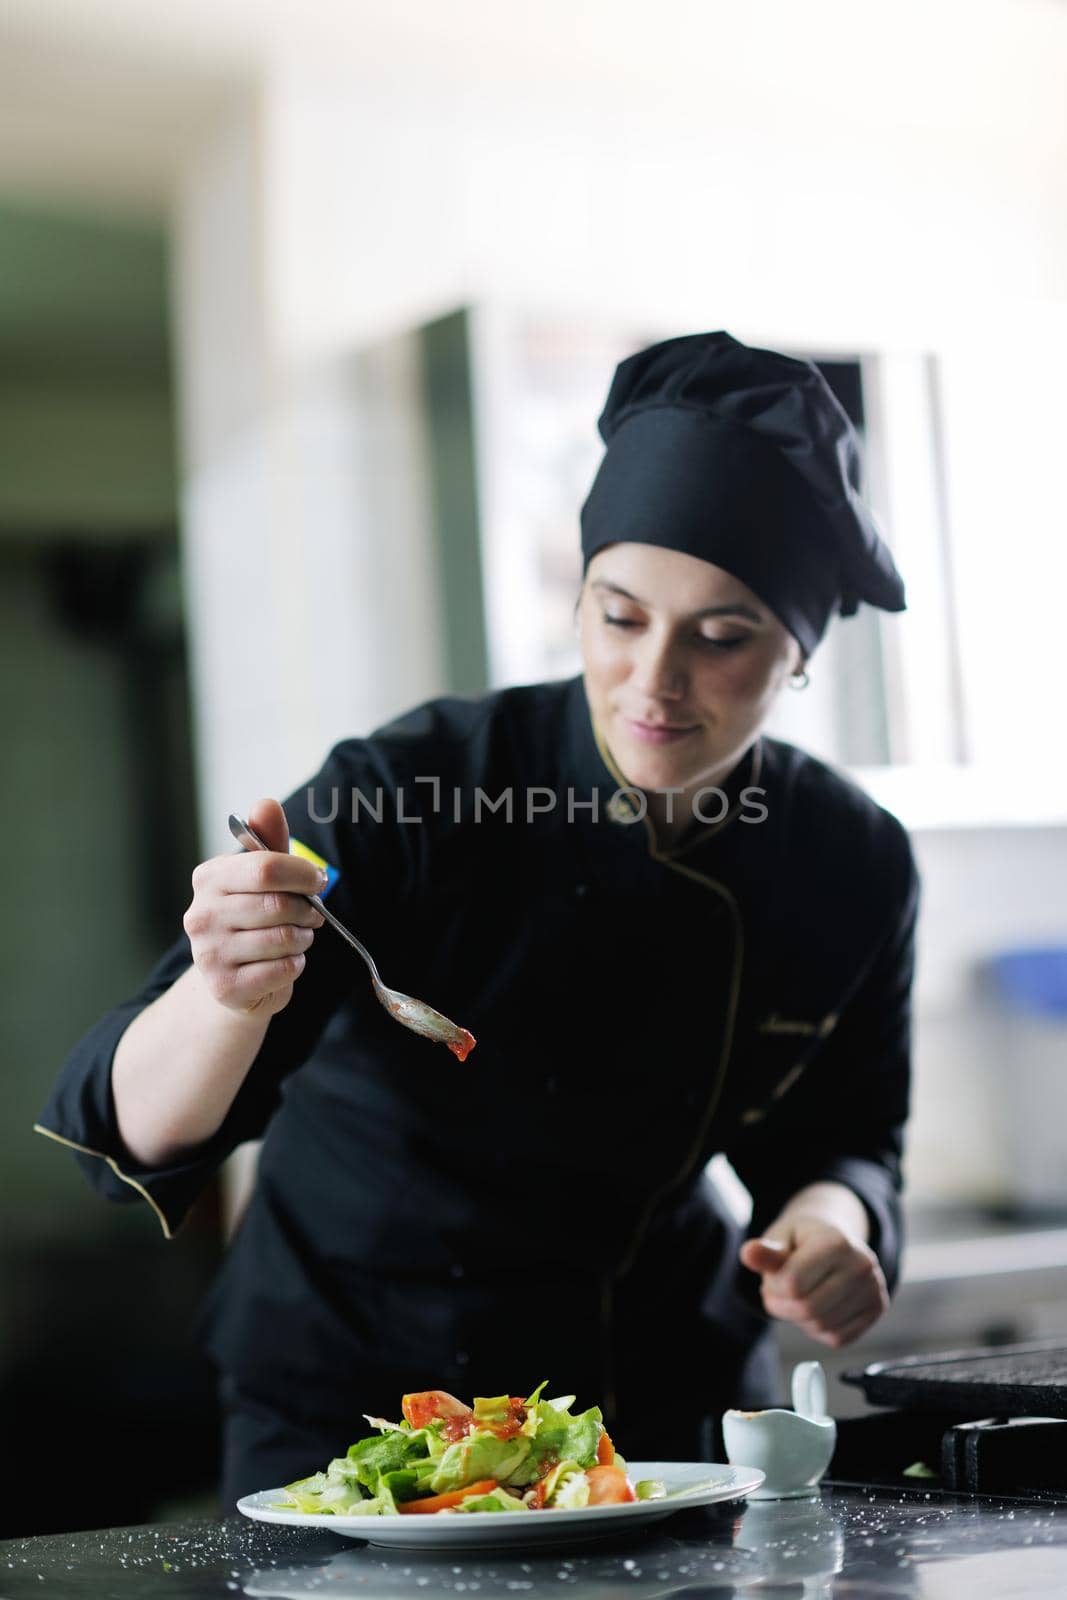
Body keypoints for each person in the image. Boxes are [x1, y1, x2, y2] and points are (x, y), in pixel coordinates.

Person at [36, 331, 920, 1508]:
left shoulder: (847, 860)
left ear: (797, 654)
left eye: (719, 637)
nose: (653, 680)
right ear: (578, 595)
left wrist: (828, 1223)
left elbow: (844, 1136)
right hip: (362, 1414)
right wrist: (227, 993)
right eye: (618, 615)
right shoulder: (410, 787)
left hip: (651, 1410)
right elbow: (131, 1133)